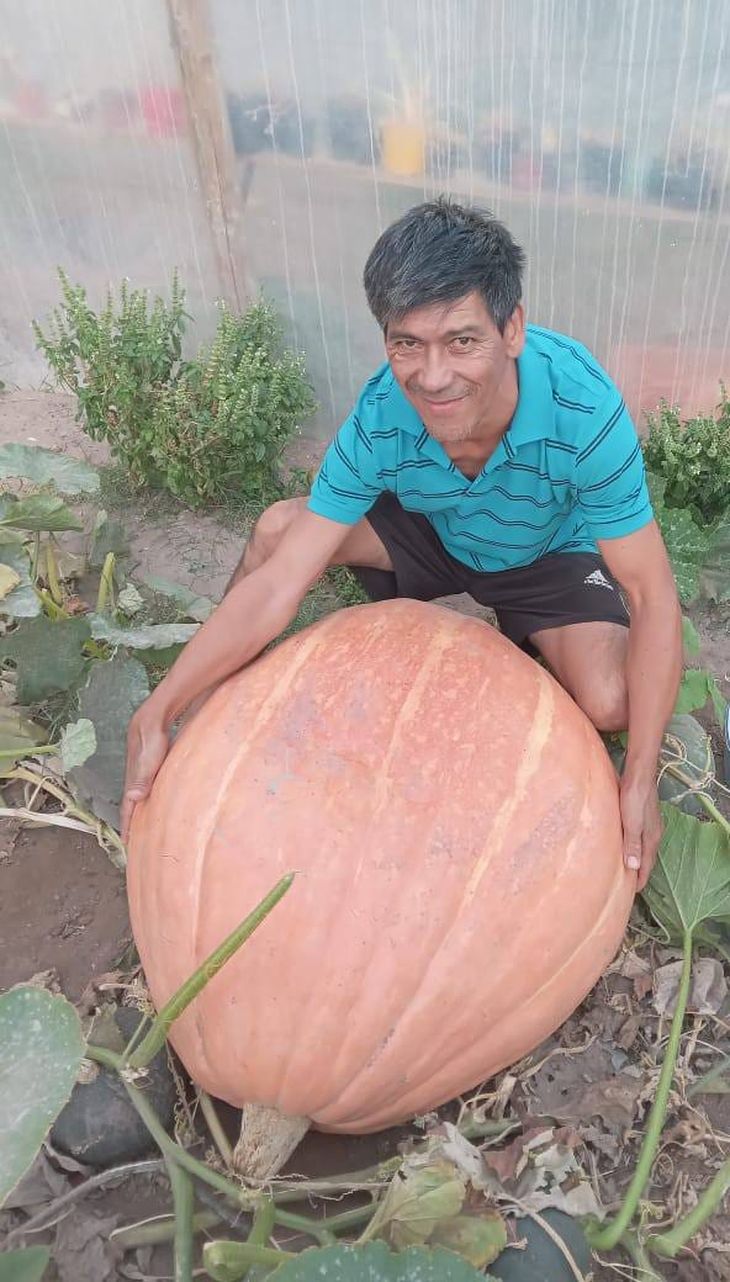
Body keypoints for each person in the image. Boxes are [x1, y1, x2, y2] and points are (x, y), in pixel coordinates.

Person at [122, 199, 682, 889]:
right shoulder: (382, 414)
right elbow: (278, 583)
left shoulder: (582, 409)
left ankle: (535, 640)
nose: (433, 376)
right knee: (277, 532)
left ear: (511, 328)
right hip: (435, 530)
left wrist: (641, 775)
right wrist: (162, 707)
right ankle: (216, 706)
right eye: (407, 344)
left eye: (461, 341)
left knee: (611, 701)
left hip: (544, 555)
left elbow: (651, 592)